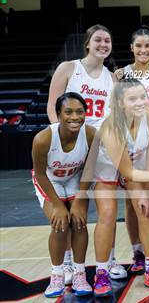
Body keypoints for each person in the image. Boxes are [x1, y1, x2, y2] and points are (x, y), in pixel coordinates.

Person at [46, 24, 128, 281]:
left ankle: (110, 259)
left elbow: (115, 116)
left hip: (101, 148)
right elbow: (52, 107)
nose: (103, 44)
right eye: (98, 40)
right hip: (73, 147)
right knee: (72, 213)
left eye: (107, 40)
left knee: (108, 210)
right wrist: (61, 140)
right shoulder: (69, 68)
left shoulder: (112, 77)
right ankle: (68, 263)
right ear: (88, 43)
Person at [89, 79, 149, 296]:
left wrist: (147, 191)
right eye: (133, 99)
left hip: (137, 166)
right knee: (107, 214)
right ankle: (101, 272)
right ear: (121, 103)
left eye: (143, 96)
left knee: (146, 207)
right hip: (108, 166)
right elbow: (127, 172)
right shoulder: (110, 126)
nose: (141, 102)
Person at [32, 92, 95, 297]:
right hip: (50, 180)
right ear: (58, 114)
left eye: (79, 112)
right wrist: (58, 206)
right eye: (68, 112)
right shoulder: (43, 139)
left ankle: (79, 273)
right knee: (60, 224)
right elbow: (40, 174)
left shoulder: (91, 134)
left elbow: (89, 169)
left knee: (79, 221)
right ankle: (57, 275)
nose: (74, 117)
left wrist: (78, 201)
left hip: (77, 177)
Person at [115, 27, 149, 274]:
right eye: (139, 46)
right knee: (133, 202)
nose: (143, 50)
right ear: (131, 49)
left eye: (148, 46)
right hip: (131, 143)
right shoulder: (121, 75)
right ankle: (138, 251)